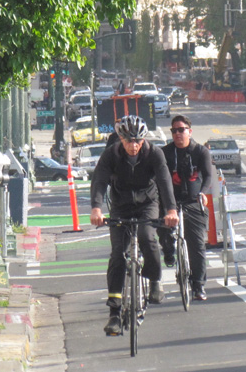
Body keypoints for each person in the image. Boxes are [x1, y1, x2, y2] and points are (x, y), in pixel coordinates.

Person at [90, 115, 178, 336]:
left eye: (138, 140)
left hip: (148, 203)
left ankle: (155, 280)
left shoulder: (154, 154)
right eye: (129, 141)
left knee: (148, 238)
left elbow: (165, 181)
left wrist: (171, 210)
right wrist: (96, 209)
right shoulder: (111, 154)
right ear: (121, 138)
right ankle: (114, 314)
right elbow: (99, 180)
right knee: (118, 254)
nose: (133, 145)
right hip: (121, 206)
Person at [159, 115, 213, 301]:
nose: (177, 134)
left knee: (197, 244)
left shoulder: (200, 152)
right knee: (163, 229)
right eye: (174, 131)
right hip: (170, 203)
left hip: (193, 202)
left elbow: (208, 176)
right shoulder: (165, 153)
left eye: (181, 130)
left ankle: (198, 285)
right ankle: (168, 251)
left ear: (189, 131)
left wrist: (203, 193)